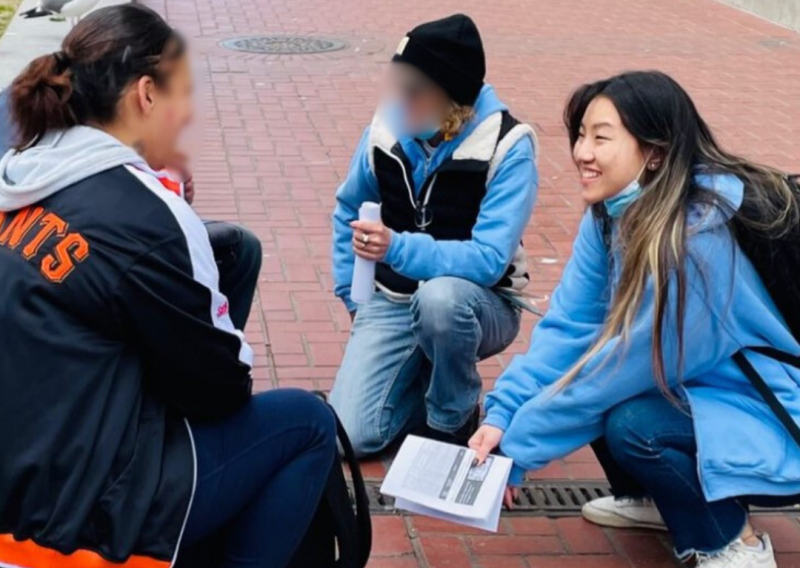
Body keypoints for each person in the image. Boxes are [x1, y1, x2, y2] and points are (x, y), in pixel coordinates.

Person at [0, 5, 338, 568]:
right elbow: (220, 390)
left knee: (231, 253)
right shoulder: (149, 214)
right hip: (77, 525)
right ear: (146, 94)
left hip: (20, 467)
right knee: (307, 423)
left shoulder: (21, 168)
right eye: (182, 94)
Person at [469, 71, 800, 568]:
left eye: (601, 137)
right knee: (598, 379)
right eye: (581, 134)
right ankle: (657, 500)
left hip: (776, 412)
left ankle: (732, 540)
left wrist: (517, 450)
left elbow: (628, 364)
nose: (582, 151)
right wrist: (503, 414)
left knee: (633, 421)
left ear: (655, 153)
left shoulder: (696, 240)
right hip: (710, 391)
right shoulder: (610, 213)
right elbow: (569, 329)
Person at [330, 13, 539, 456]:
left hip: (478, 303)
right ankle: (424, 380)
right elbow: (349, 208)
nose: (397, 100)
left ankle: (452, 417)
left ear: (453, 103)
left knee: (441, 301)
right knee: (353, 435)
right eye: (396, 84)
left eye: (413, 91)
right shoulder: (385, 129)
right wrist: (353, 296)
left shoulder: (508, 146)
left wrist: (398, 247)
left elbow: (488, 259)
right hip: (392, 297)